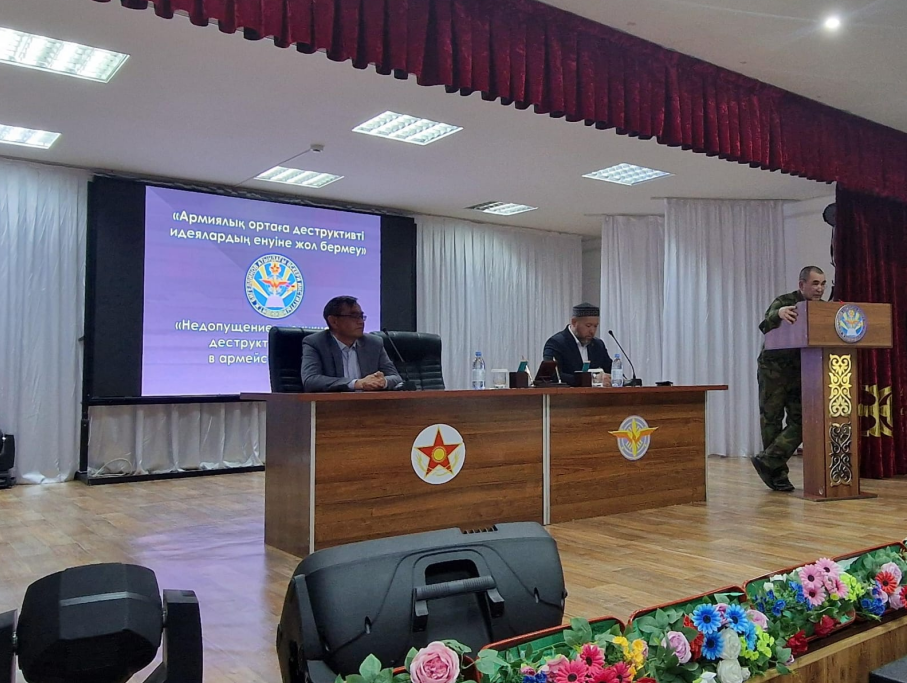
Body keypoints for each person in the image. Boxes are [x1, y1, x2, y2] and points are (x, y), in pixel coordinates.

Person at [751, 266, 827, 492]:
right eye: (815, 283)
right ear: (802, 284)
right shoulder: (785, 302)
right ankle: (778, 476)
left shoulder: (822, 309)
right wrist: (779, 314)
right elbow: (766, 323)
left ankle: (769, 460)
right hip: (773, 370)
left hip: (801, 371)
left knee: (802, 420)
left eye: (823, 284)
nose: (820, 289)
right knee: (771, 420)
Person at [301, 296, 402, 392]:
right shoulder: (316, 343)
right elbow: (310, 380)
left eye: (361, 316)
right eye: (354, 316)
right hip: (333, 403)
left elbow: (396, 378)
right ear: (333, 321)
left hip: (369, 403)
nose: (361, 322)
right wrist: (356, 383)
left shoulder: (374, 343)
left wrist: (382, 382)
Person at [542, 303, 613, 386]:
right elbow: (552, 376)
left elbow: (610, 369)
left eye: (595, 326)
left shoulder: (598, 345)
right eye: (588, 326)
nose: (592, 331)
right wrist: (591, 380)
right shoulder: (556, 343)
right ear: (574, 322)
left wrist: (614, 378)